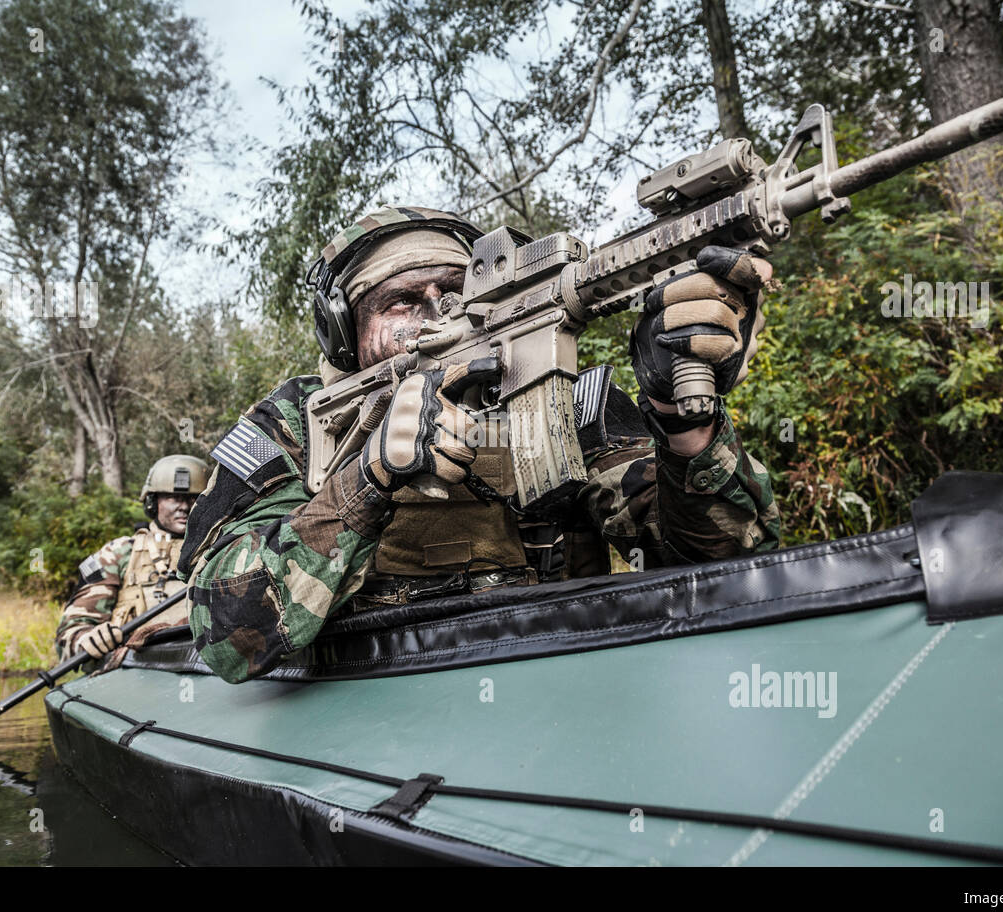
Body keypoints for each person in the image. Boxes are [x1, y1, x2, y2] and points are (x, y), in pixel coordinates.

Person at [180, 206, 780, 683]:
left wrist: (683, 420)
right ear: (345, 332)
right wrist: (366, 481)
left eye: (453, 292)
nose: (438, 313)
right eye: (402, 301)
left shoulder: (565, 400)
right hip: (359, 727)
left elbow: (723, 570)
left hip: (551, 698)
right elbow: (227, 636)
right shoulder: (292, 425)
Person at [55, 454, 210, 662]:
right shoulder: (119, 553)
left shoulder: (222, 552)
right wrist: (86, 639)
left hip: (208, 671)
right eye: (174, 498)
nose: (184, 506)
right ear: (153, 502)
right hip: (135, 671)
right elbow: (69, 633)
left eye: (194, 499)